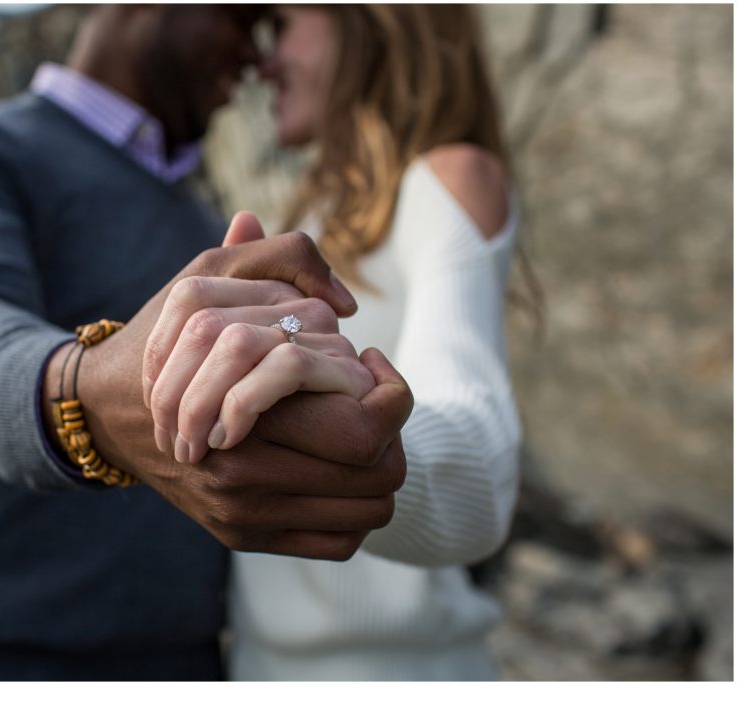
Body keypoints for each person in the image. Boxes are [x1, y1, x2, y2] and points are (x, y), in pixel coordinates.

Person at [0, 5, 412, 681]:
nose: (254, 58)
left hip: (184, 661)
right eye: (245, 21)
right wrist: (87, 399)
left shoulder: (213, 225)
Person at [144, 5, 523, 680]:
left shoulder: (449, 177)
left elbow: (483, 473)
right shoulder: (309, 218)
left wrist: (348, 427)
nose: (263, 63)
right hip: (259, 665)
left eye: (283, 25)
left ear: (372, 20)